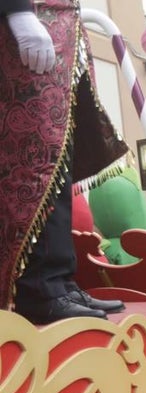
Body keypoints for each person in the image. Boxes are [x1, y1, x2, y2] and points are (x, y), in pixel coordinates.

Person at [1, 0, 128, 324]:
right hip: (30, 23)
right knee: (35, 164)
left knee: (58, 163)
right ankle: (40, 289)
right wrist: (17, 10)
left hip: (60, 28)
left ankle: (57, 281)